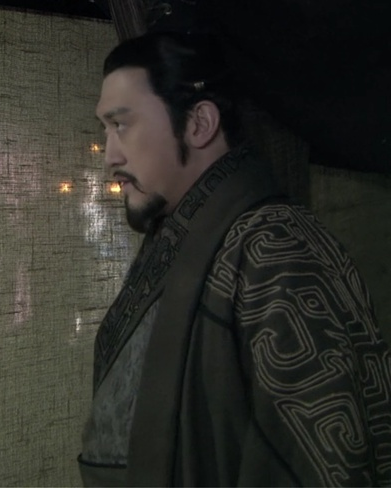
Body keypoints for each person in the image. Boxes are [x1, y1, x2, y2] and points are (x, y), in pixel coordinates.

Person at [78, 32, 391, 487]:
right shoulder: (185, 236)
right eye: (104, 130)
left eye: (121, 125)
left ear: (199, 123)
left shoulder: (279, 248)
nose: (109, 156)